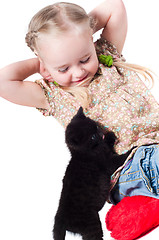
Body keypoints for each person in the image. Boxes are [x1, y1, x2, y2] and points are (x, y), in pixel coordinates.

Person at [0, 0, 159, 158]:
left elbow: (114, 6)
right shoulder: (52, 95)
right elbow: (3, 82)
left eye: (84, 60)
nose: (78, 73)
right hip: (129, 164)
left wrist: (81, 31)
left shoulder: (106, 54)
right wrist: (41, 62)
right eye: (63, 69)